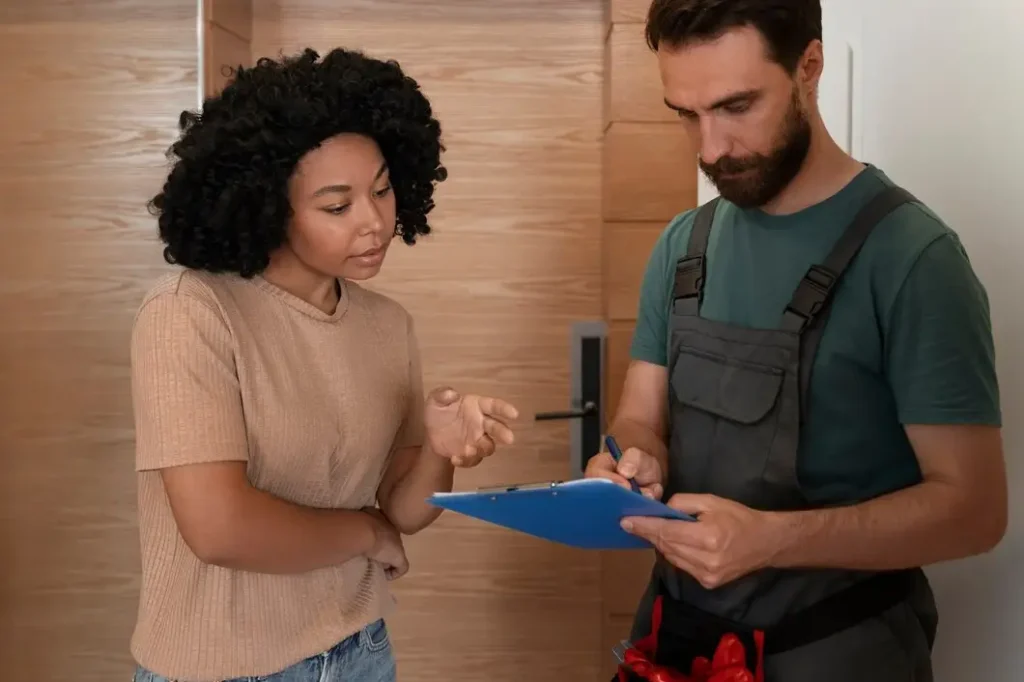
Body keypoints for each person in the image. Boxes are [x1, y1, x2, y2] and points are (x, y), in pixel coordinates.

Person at [586, 1, 1007, 681]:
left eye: (736, 106)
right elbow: (641, 415)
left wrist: (771, 541)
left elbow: (975, 512)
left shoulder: (913, 258)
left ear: (808, 67)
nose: (709, 149)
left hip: (838, 653)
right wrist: (634, 460)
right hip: (676, 642)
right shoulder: (682, 245)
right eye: (686, 114)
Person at [129, 47, 519, 682]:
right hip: (222, 668)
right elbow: (219, 528)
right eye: (337, 206)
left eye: (384, 189)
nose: (374, 221)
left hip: (359, 651)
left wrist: (440, 452)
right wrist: (363, 535)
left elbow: (403, 512)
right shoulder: (190, 314)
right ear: (265, 206)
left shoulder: (387, 325)